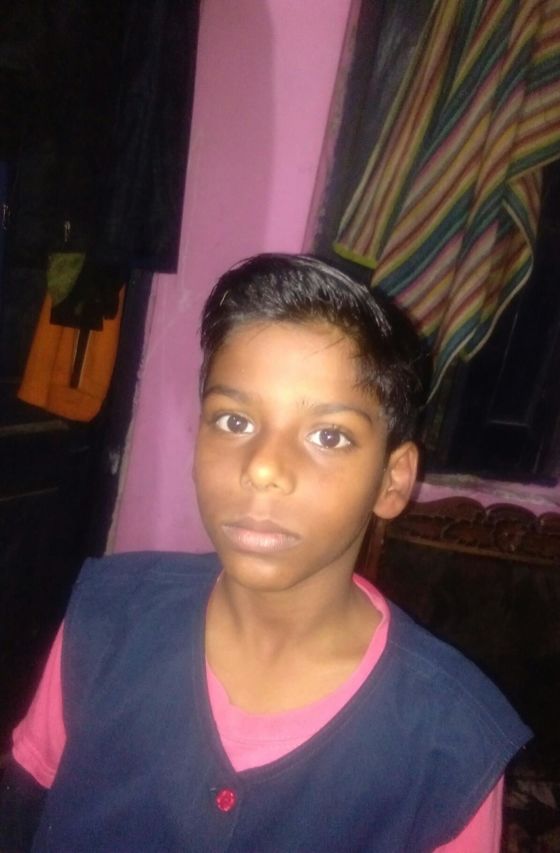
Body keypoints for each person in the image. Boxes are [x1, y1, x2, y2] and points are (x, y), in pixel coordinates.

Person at [0, 254, 530, 851]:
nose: (263, 467)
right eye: (234, 421)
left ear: (392, 480)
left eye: (328, 435)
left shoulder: (452, 744)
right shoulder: (105, 620)